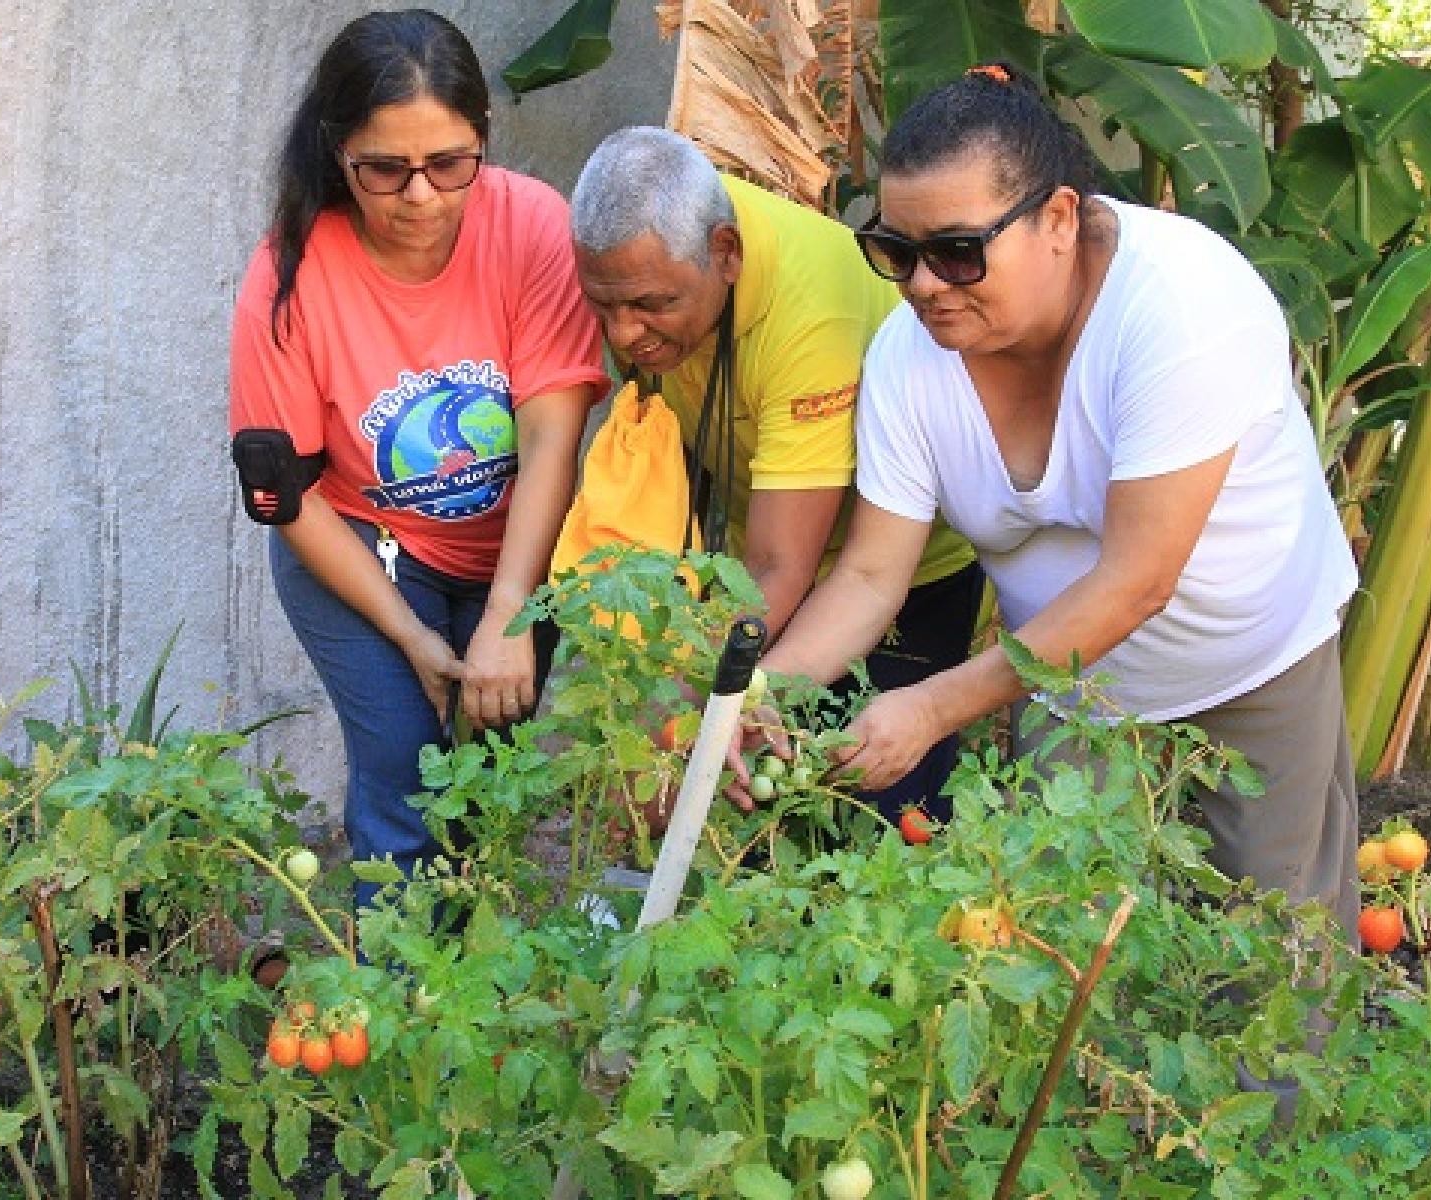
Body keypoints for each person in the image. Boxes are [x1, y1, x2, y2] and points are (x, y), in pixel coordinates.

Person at [756, 64, 1361, 937]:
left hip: (1248, 672)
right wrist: (759, 698)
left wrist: (928, 710)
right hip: (1066, 693)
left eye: (959, 251)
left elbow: (1137, 581)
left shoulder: (1183, 306)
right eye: (897, 252)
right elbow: (868, 576)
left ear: (1059, 221)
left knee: (1269, 965)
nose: (926, 284)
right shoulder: (908, 355)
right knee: (1054, 951)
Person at [228, 10, 608, 909]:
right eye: (384, 170)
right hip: (359, 549)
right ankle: (391, 1023)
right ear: (336, 152)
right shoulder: (288, 275)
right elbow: (290, 500)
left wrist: (511, 614)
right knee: (405, 773)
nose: (422, 197)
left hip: (514, 549)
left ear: (482, 138)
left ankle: (469, 1007)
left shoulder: (532, 227)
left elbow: (554, 434)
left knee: (484, 789)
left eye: (449, 163)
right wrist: (408, 632)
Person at [569, 126, 983, 824]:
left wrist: (675, 703)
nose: (623, 336)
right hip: (770, 559)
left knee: (877, 812)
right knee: (760, 802)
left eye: (649, 306)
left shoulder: (807, 315)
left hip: (904, 571)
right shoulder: (656, 261)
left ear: (725, 253)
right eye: (603, 305)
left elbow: (778, 566)